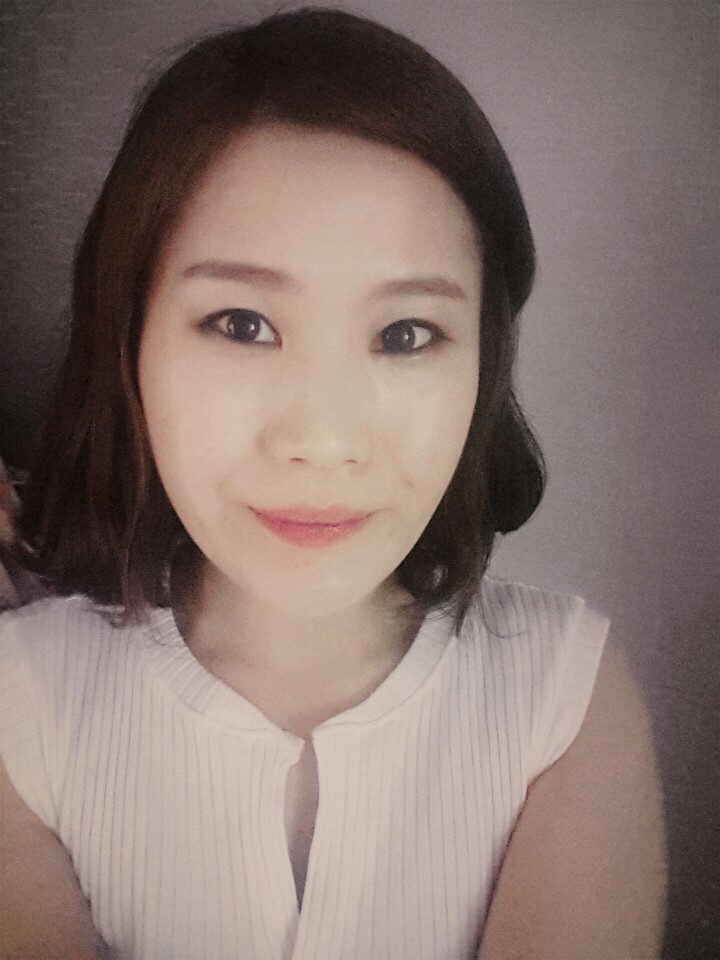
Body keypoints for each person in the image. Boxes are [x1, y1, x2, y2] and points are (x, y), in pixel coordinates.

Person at [0, 7, 667, 959]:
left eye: (405, 335)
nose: (323, 440)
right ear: (130, 342)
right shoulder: (19, 706)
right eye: (241, 324)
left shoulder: (563, 694)